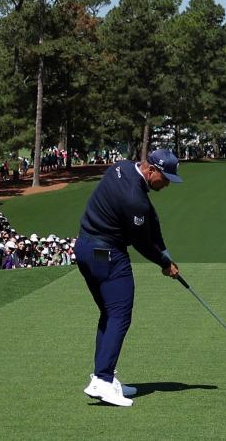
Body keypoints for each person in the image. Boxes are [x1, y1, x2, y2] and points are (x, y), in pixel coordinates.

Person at [77, 148, 183, 407]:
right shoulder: (134, 199)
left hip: (84, 249)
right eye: (166, 178)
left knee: (109, 313)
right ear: (151, 170)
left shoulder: (121, 167)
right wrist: (164, 263)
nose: (167, 184)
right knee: (120, 314)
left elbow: (151, 216)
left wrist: (165, 251)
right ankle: (102, 381)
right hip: (107, 254)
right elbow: (142, 243)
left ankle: (104, 376)